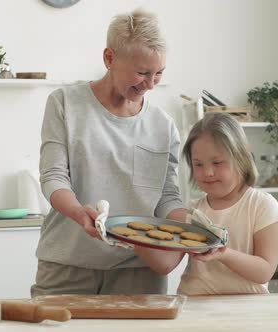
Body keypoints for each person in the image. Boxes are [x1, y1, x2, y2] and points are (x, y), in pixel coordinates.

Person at [31, 8, 187, 297]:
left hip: (138, 270)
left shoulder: (162, 125)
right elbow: (53, 178)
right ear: (109, 58)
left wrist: (194, 229)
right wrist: (79, 213)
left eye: (159, 73)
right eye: (142, 72)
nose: (151, 84)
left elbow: (166, 197)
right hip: (67, 264)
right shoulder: (65, 103)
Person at [136, 112, 278, 295]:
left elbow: (264, 271)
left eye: (217, 162)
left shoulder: (262, 205)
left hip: (247, 312)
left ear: (241, 158)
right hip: (194, 306)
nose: (207, 172)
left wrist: (224, 253)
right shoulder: (194, 210)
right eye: (198, 164)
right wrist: (132, 240)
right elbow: (166, 264)